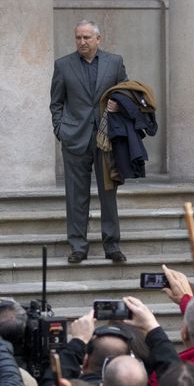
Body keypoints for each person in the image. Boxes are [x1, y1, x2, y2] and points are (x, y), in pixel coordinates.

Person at [50, 19, 128, 264]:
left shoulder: (114, 63)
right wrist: (60, 129)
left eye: (86, 37)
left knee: (108, 193)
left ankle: (112, 245)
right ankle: (78, 246)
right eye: (78, 38)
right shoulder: (63, 65)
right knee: (76, 195)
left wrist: (120, 104)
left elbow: (127, 92)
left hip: (106, 138)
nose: (82, 42)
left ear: (98, 39)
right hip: (74, 138)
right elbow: (56, 102)